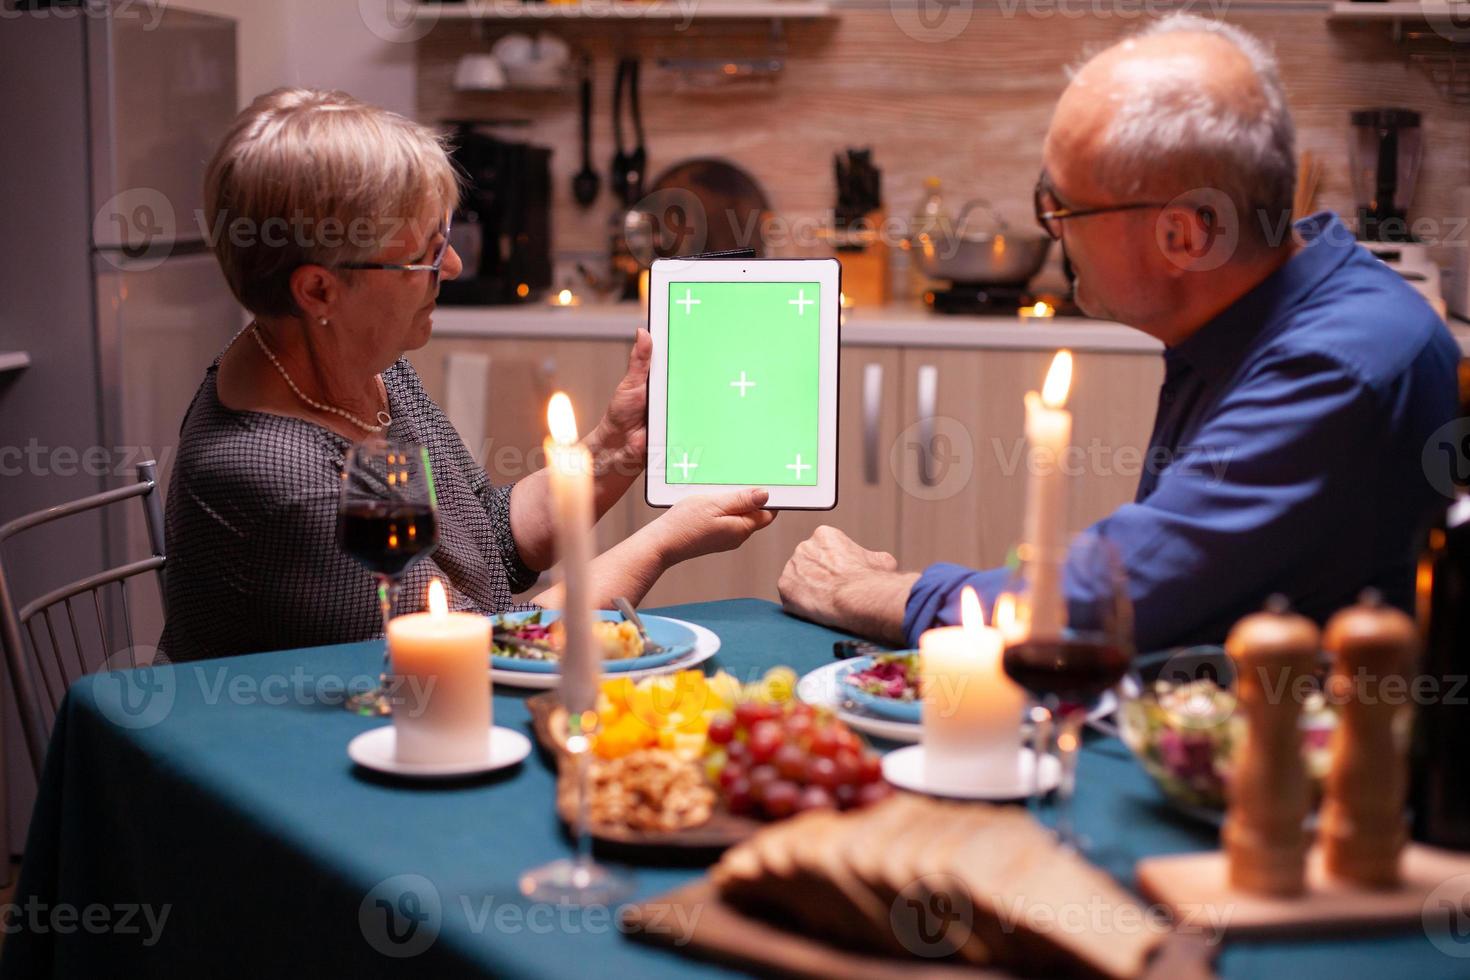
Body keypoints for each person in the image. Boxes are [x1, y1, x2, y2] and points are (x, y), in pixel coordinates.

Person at [779, 14, 1460, 652]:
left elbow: (1102, 602)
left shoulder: (1335, 365)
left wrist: (865, 591)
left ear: (1184, 235)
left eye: (1063, 205)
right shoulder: (1257, 309)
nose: (1054, 228)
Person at [159, 88, 775, 662]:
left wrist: (614, 448)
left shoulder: (363, 365)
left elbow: (488, 539)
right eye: (425, 254)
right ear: (319, 289)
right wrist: (663, 541)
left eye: (445, 237)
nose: (452, 265)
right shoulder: (282, 475)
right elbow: (485, 653)